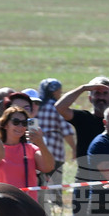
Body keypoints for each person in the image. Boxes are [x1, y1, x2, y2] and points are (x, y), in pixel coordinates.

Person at [56, 76, 109, 216]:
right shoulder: (83, 118)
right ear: (90, 97)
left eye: (105, 93)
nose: (101, 97)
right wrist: (82, 87)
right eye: (96, 93)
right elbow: (60, 108)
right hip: (84, 186)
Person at [0, 103, 54, 201]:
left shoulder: (31, 149)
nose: (20, 126)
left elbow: (49, 167)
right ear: (5, 125)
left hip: (27, 208)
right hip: (1, 206)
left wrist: (41, 144)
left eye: (24, 123)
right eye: (16, 122)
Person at [35, 78, 75, 206]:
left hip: (39, 148)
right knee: (56, 177)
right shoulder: (57, 108)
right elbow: (66, 130)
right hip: (55, 148)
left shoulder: (36, 107)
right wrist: (74, 148)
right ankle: (57, 201)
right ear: (54, 92)